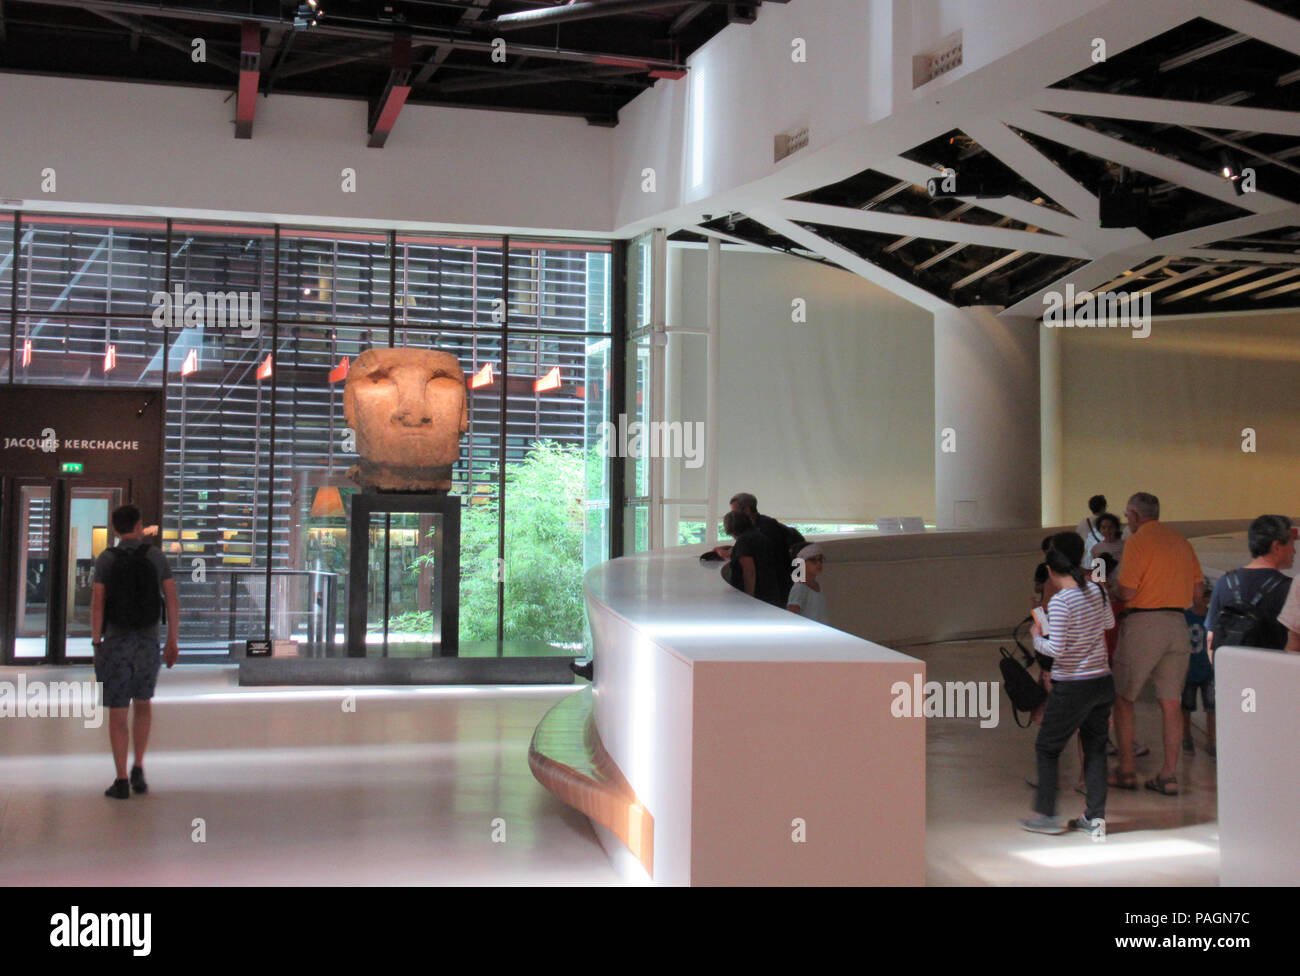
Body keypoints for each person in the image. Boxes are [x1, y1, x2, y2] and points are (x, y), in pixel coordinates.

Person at [1108, 492, 1203, 797]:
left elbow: (1126, 590)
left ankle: (1126, 769)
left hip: (1144, 625)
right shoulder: (1181, 542)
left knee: (1124, 697)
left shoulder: (1137, 542)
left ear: (1135, 515)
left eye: (1127, 515)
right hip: (1178, 626)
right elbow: (1198, 594)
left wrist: (1111, 587)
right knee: (1171, 703)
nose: (1126, 520)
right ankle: (1168, 776)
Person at [1020, 532, 1115, 837]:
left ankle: (1047, 815)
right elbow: (1109, 624)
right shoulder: (1097, 591)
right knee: (1096, 749)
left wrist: (1036, 635)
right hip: (1101, 680)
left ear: (1049, 570)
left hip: (1072, 685)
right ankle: (1095, 818)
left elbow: (1056, 649)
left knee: (1047, 747)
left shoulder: (1061, 602)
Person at [90, 504, 180, 799]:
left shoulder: (106, 559)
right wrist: (172, 641)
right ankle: (139, 765)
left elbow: (98, 604)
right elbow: (171, 599)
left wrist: (96, 642)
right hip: (147, 640)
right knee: (143, 704)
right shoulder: (155, 556)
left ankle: (120, 780)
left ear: (115, 529)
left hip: (116, 642)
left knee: (118, 712)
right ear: (139, 526)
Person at [1204, 514, 1294, 655]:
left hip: (1231, 671)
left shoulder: (1224, 583)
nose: (1293, 551)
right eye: (1291, 544)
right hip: (1271, 672)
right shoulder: (1289, 588)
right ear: (1276, 547)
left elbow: (1211, 638)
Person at [722, 493, 805, 605]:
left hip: (781, 579)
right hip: (779, 581)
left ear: (747, 509)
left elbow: (750, 567)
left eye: (735, 511)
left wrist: (748, 598)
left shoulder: (765, 528)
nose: (734, 515)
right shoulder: (760, 527)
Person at [1182, 580, 1215, 758]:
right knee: (1186, 706)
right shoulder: (1185, 617)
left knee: (1211, 707)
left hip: (1209, 670)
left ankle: (1212, 741)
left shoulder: (1213, 617)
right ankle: (1186, 736)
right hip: (1189, 668)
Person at [723, 509, 780, 606]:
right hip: (769, 589)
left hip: (756, 593)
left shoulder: (743, 541)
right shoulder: (759, 536)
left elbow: (749, 572)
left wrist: (749, 598)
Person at [786, 544, 828, 625]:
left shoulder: (817, 586)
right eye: (813, 560)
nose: (819, 563)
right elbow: (791, 617)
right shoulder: (799, 588)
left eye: (820, 559)